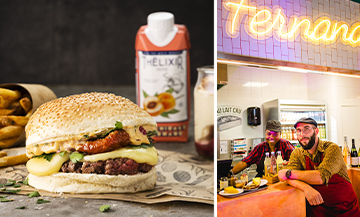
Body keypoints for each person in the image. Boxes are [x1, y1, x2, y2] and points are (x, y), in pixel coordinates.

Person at [278, 117, 360, 217]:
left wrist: (289, 173)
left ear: (316, 131)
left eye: (306, 129)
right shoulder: (297, 153)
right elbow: (285, 178)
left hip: (344, 209)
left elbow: (320, 177)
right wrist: (306, 188)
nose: (302, 134)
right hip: (319, 208)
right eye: (298, 131)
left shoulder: (332, 148)